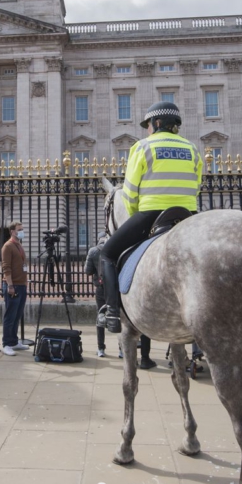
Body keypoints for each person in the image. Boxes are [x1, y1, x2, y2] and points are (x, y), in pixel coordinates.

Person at [99, 102, 203, 333]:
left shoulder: (142, 147)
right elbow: (196, 186)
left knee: (107, 254)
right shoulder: (192, 148)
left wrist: (136, 215)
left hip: (152, 214)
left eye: (148, 125)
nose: (147, 129)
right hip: (189, 216)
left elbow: (130, 191)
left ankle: (112, 312)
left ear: (156, 123)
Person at [1, 221, 29, 356]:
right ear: (12, 231)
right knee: (10, 316)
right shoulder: (7, 246)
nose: (22, 231)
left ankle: (14, 341)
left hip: (21, 284)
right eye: (19, 229)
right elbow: (6, 267)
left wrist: (25, 282)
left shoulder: (19, 245)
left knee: (17, 315)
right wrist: (10, 285)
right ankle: (6, 343)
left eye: (22, 229)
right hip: (13, 285)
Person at [84, 231, 109, 357]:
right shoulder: (116, 248)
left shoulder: (93, 251)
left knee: (101, 317)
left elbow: (87, 271)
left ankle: (101, 348)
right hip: (115, 289)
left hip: (100, 287)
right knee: (119, 318)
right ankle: (122, 349)